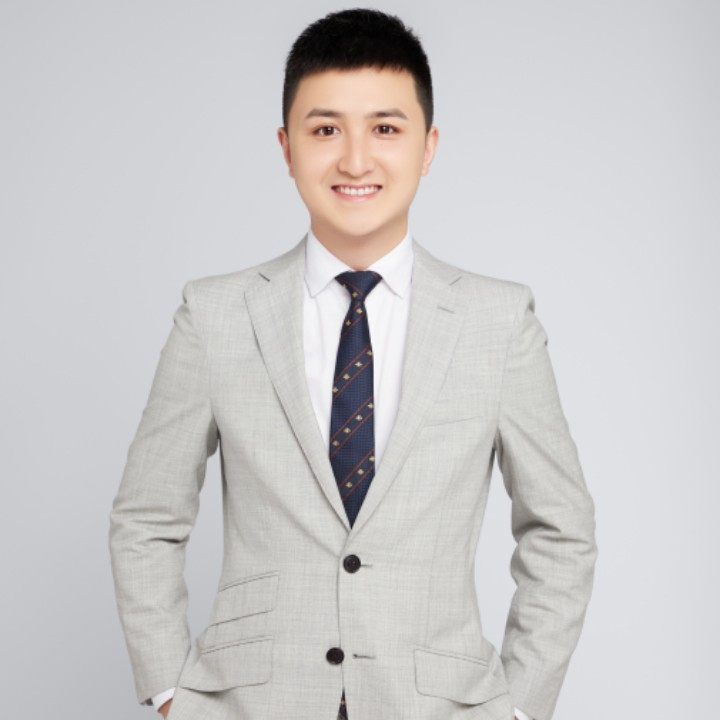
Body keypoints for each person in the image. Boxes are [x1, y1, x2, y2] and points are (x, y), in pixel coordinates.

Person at [109, 8, 598, 720]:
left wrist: (519, 706)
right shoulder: (215, 316)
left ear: (428, 147)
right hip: (249, 705)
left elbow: (562, 529)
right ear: (287, 147)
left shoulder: (498, 322)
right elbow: (146, 517)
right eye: (326, 130)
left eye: (386, 129)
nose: (356, 160)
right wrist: (168, 692)